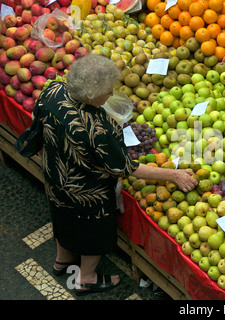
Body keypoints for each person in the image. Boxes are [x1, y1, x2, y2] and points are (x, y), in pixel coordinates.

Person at [20, 54, 198, 296]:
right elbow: (125, 167)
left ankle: (62, 261)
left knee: (62, 215)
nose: (110, 95)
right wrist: (173, 175)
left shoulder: (54, 91)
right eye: (107, 92)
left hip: (55, 173)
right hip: (86, 191)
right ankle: (86, 279)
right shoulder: (96, 129)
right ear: (92, 95)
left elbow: (36, 119)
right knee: (92, 230)